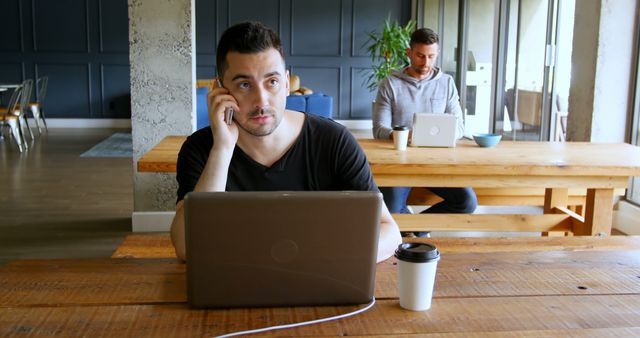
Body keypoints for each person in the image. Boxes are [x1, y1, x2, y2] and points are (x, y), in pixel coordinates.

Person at [170, 21, 402, 262]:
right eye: (244, 85)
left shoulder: (334, 141)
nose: (262, 101)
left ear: (287, 83)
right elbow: (187, 248)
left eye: (272, 82)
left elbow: (390, 232)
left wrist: (317, 258)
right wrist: (223, 149)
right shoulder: (200, 149)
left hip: (320, 284)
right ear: (220, 90)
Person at [372, 27, 477, 236]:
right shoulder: (390, 84)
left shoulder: (447, 83)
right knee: (389, 212)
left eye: (431, 56)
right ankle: (409, 226)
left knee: (467, 202)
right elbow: (379, 130)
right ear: (409, 53)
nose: (426, 62)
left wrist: (440, 135)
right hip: (399, 165)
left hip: (438, 164)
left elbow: (460, 128)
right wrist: (407, 136)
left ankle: (417, 230)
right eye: (420, 56)